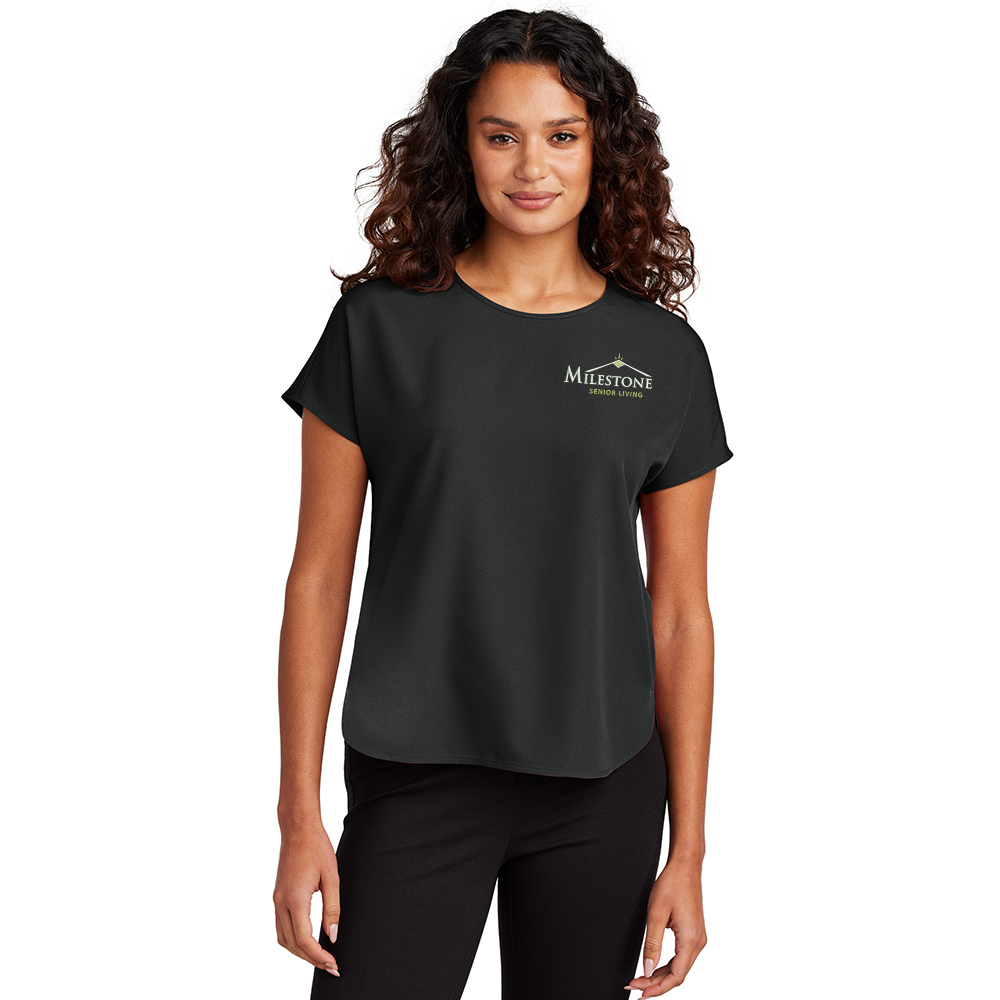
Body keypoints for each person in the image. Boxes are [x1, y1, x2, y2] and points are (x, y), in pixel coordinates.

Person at [273, 9, 734, 999]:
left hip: (603, 787)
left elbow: (679, 614)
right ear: (461, 146)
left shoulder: (662, 356)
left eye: (562, 135)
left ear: (602, 149)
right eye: (500, 135)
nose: (533, 166)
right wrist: (297, 813)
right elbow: (318, 578)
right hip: (415, 768)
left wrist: (689, 849)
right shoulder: (377, 329)